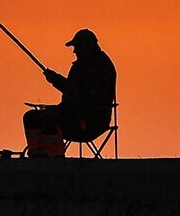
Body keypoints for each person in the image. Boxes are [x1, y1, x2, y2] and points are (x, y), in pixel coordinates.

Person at [23, 28, 116, 157]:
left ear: (89, 46)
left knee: (49, 117)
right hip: (72, 113)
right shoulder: (80, 65)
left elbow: (84, 95)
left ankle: (54, 154)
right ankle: (37, 154)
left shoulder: (101, 67)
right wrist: (55, 79)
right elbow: (71, 89)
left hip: (89, 120)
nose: (74, 50)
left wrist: (57, 82)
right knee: (31, 117)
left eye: (77, 46)